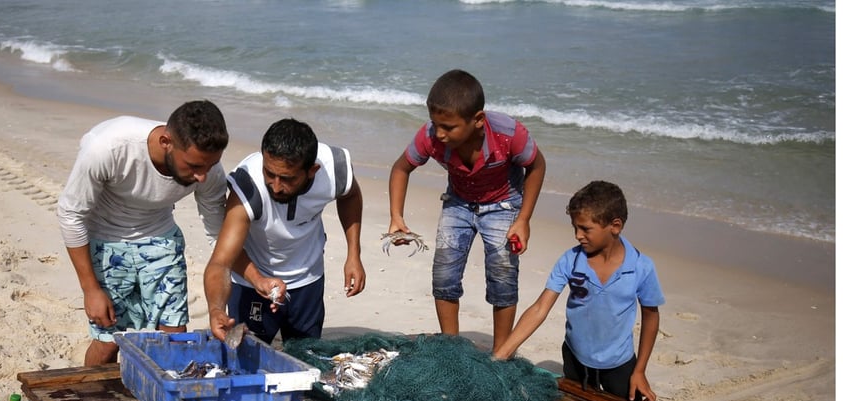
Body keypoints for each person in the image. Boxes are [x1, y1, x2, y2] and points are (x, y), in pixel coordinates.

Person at [57, 100, 229, 366]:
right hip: (106, 242)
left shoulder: (209, 169)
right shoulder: (107, 148)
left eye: (209, 166)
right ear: (166, 141)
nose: (202, 176)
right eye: (194, 166)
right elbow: (71, 215)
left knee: (174, 340)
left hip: (161, 241)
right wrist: (90, 289)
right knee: (107, 343)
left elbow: (220, 235)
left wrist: (231, 295)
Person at [387, 69, 546, 356]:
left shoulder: (509, 134)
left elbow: (537, 166)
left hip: (504, 205)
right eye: (435, 124)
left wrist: (523, 220)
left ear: (478, 120)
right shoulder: (430, 136)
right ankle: (452, 350)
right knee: (444, 274)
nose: (440, 133)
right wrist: (396, 216)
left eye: (448, 127)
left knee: (502, 274)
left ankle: (501, 353)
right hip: (458, 202)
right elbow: (401, 168)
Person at [494, 180, 664, 401]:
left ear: (615, 226)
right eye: (575, 227)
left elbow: (651, 317)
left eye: (585, 229)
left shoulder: (642, 267)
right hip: (575, 358)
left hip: (619, 363)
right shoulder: (570, 260)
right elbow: (539, 309)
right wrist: (502, 353)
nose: (577, 235)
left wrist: (640, 370)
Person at [204, 118, 365, 345]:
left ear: (312, 171)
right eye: (269, 173)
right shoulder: (248, 186)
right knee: (246, 361)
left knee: (305, 358)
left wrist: (353, 255)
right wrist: (216, 309)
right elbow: (221, 261)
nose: (276, 186)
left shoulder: (335, 169)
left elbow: (350, 195)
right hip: (251, 285)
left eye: (287, 178)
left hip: (308, 281)